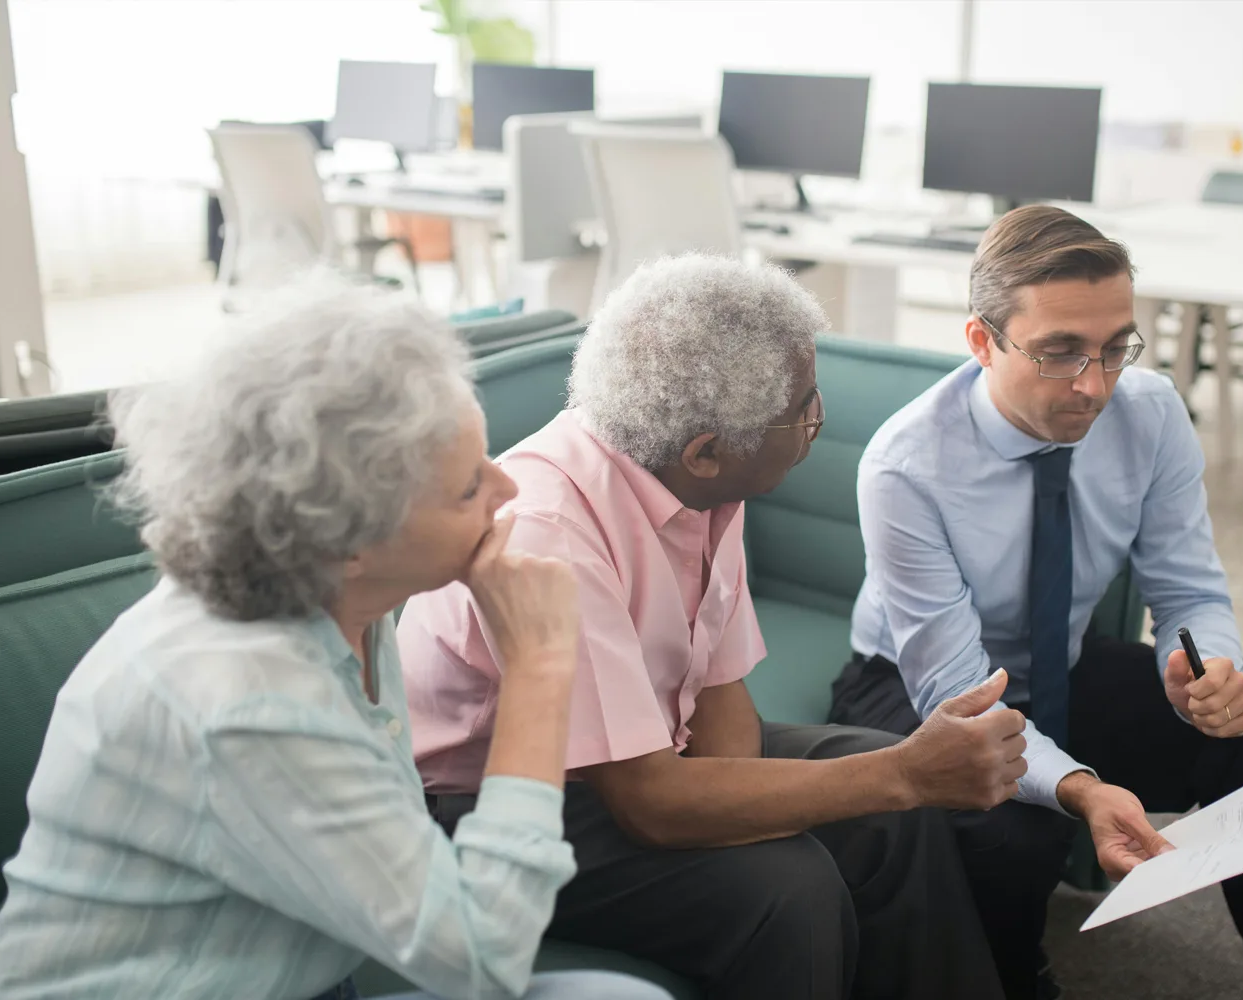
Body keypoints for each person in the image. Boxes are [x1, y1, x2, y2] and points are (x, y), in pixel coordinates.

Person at [0, 276, 671, 1000]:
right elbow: (484, 957)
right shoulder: (248, 701)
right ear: (349, 540)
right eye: (469, 487)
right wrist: (540, 666)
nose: (509, 491)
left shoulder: (350, 603)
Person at [400, 254, 1031, 1000]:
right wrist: (900, 775)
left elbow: (719, 696)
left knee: (893, 818)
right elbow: (651, 803)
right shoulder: (550, 531)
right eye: (804, 409)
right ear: (706, 451)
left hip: (646, 750)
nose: (817, 421)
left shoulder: (698, 481)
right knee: (791, 888)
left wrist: (774, 805)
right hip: (491, 800)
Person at [831, 205, 1243, 1000]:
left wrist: (1207, 668)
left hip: (1057, 663)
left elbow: (1188, 589)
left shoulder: (1152, 412)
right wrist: (1080, 787)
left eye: (1114, 349)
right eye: (1061, 352)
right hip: (916, 686)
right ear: (981, 343)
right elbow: (958, 695)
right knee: (1014, 833)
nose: (1095, 385)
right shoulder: (906, 466)